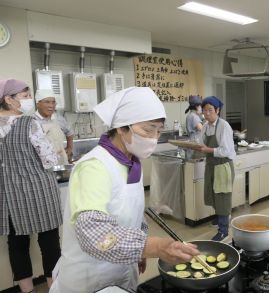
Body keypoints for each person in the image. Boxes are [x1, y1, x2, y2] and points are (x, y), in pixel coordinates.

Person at [49, 87, 200, 293]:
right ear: (121, 127)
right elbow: (93, 232)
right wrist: (154, 246)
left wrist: (138, 253)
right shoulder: (94, 166)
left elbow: (133, 213)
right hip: (90, 278)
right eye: (148, 130)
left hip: (121, 270)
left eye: (158, 130)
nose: (154, 138)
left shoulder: (130, 160)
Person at [0, 79, 62, 293]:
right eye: (25, 96)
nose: (29, 100)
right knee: (49, 242)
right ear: (9, 99)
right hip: (39, 190)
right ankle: (54, 288)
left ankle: (28, 291)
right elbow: (50, 160)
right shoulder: (29, 123)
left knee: (17, 244)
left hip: (8, 195)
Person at [195, 96, 235, 242]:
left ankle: (223, 230)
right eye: (204, 110)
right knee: (212, 193)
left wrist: (208, 149)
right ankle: (220, 218)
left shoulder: (224, 126)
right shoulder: (205, 126)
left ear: (217, 110)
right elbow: (201, 143)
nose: (207, 113)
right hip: (211, 165)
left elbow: (225, 150)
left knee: (222, 197)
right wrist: (195, 147)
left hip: (223, 165)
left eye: (210, 110)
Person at [33, 89, 74, 165]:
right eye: (47, 102)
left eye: (53, 102)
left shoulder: (58, 118)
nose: (51, 105)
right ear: (38, 104)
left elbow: (69, 132)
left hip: (60, 161)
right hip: (42, 164)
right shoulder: (33, 121)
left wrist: (69, 148)